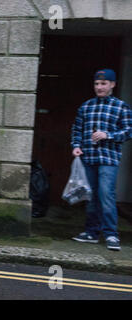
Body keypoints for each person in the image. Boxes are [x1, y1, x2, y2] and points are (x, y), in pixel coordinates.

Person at [71, 69, 131, 251]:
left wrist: (108, 135)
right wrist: (76, 145)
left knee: (106, 195)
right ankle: (91, 233)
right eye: (97, 84)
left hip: (108, 159)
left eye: (103, 84)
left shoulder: (121, 107)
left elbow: (128, 131)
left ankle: (111, 234)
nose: (99, 87)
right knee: (91, 197)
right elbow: (77, 129)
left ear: (112, 84)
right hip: (88, 157)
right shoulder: (86, 106)